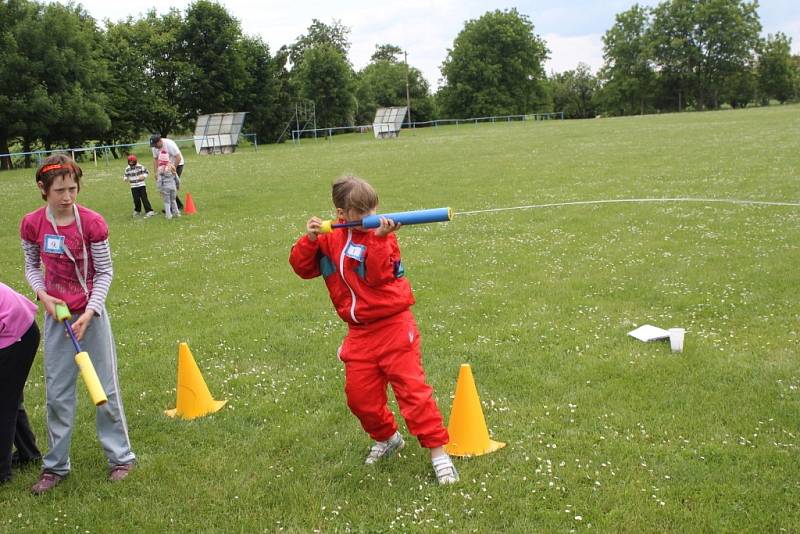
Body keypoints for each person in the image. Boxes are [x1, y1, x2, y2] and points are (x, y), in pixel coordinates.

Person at [289, 175, 459, 485]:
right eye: (360, 211)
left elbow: (380, 279)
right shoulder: (330, 238)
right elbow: (303, 269)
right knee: (359, 399)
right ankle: (388, 438)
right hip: (360, 333)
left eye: (373, 207)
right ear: (341, 214)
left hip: (394, 326)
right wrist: (310, 240)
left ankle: (438, 453)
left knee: (413, 394)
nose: (371, 215)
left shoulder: (383, 236)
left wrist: (380, 239)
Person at [20, 154, 136, 495]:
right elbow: (30, 266)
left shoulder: (93, 223)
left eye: (72, 189)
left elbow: (105, 272)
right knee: (57, 395)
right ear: (43, 189)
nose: (67, 197)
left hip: (91, 318)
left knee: (105, 390)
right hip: (58, 319)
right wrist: (43, 295)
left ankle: (121, 458)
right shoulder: (32, 224)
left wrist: (91, 310)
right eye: (59, 190)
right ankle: (55, 467)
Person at [0, 282, 41, 484]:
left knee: (4, 403)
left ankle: (2, 473)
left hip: (17, 334)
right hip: (15, 328)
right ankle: (29, 454)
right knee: (9, 398)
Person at [150, 134, 184, 210]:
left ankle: (173, 207)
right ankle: (177, 205)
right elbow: (155, 159)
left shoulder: (169, 144)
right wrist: (156, 172)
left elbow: (178, 157)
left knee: (171, 185)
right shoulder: (154, 147)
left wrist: (173, 168)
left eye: (155, 144)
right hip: (164, 167)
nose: (154, 146)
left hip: (177, 164)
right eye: (153, 145)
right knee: (167, 186)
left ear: (160, 141)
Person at [155, 149, 180, 219]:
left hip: (165, 188)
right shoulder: (172, 167)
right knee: (173, 200)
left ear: (160, 160)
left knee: (167, 202)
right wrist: (178, 185)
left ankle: (168, 215)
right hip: (173, 187)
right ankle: (177, 213)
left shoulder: (160, 169)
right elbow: (176, 177)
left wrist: (159, 189)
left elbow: (159, 181)